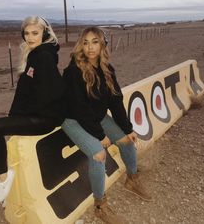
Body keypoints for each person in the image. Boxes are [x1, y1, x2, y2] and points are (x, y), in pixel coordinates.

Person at [62, 27, 151, 224]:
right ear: (80, 45)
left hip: (96, 117)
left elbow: (116, 101)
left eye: (94, 41)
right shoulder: (72, 72)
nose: (90, 47)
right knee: (98, 154)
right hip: (73, 119)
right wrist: (100, 136)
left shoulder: (107, 70)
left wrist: (128, 129)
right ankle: (100, 206)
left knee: (127, 142)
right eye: (85, 42)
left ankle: (132, 179)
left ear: (103, 44)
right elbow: (79, 109)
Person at [0, 16, 65, 204]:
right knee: (8, 135)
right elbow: (25, 93)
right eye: (27, 33)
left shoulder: (43, 57)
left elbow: (51, 93)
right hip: (38, 115)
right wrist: (14, 117)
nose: (30, 38)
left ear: (45, 33)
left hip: (44, 119)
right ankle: (13, 191)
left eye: (35, 33)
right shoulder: (36, 54)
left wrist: (21, 116)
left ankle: (2, 179)